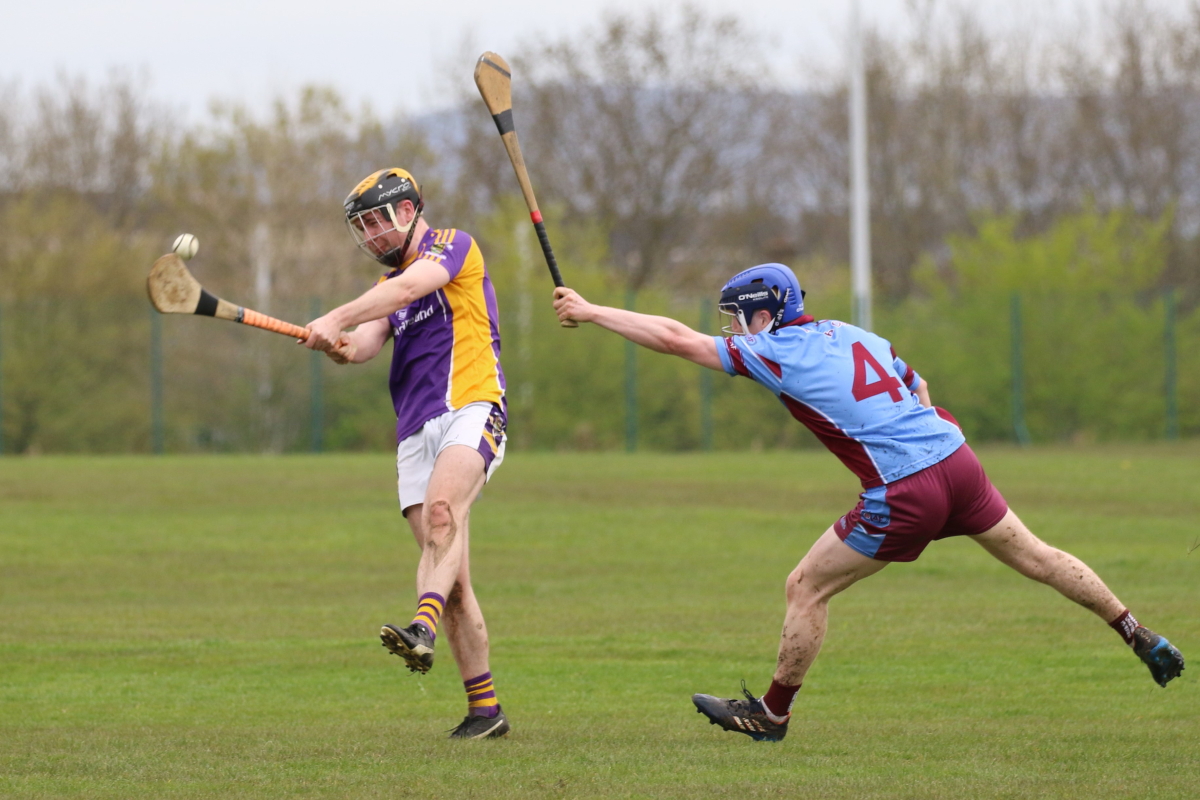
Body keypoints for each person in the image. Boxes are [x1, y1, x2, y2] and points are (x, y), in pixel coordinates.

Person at [551, 263, 1185, 743]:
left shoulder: (775, 351)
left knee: (805, 587)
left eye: (739, 317)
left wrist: (591, 310)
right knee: (1039, 557)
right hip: (957, 461)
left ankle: (771, 716)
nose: (735, 329)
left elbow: (674, 339)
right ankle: (1137, 631)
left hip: (905, 490)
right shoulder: (853, 332)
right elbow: (920, 386)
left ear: (765, 315)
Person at [304, 168, 510, 740]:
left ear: (410, 210)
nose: (371, 234)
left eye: (377, 219)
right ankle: (485, 711)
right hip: (416, 431)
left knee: (444, 513)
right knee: (454, 579)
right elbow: (363, 345)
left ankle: (420, 628)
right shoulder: (390, 289)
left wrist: (338, 314)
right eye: (361, 226)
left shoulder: (452, 247)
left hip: (473, 405)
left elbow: (403, 289)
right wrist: (333, 343)